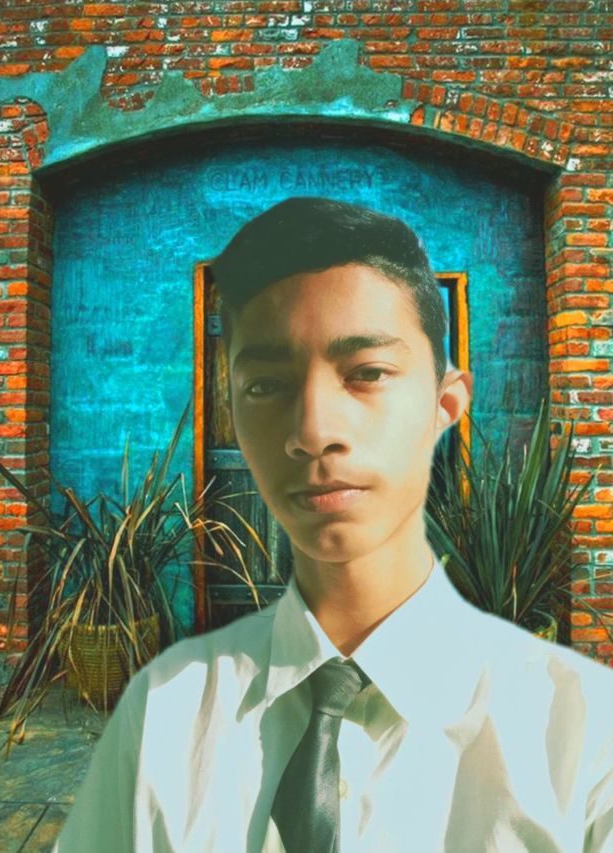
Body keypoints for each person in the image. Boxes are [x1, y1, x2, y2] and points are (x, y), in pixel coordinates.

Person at [53, 197, 613, 852]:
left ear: (444, 403)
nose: (314, 430)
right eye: (266, 385)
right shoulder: (163, 720)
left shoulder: (581, 741)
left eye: (368, 373)